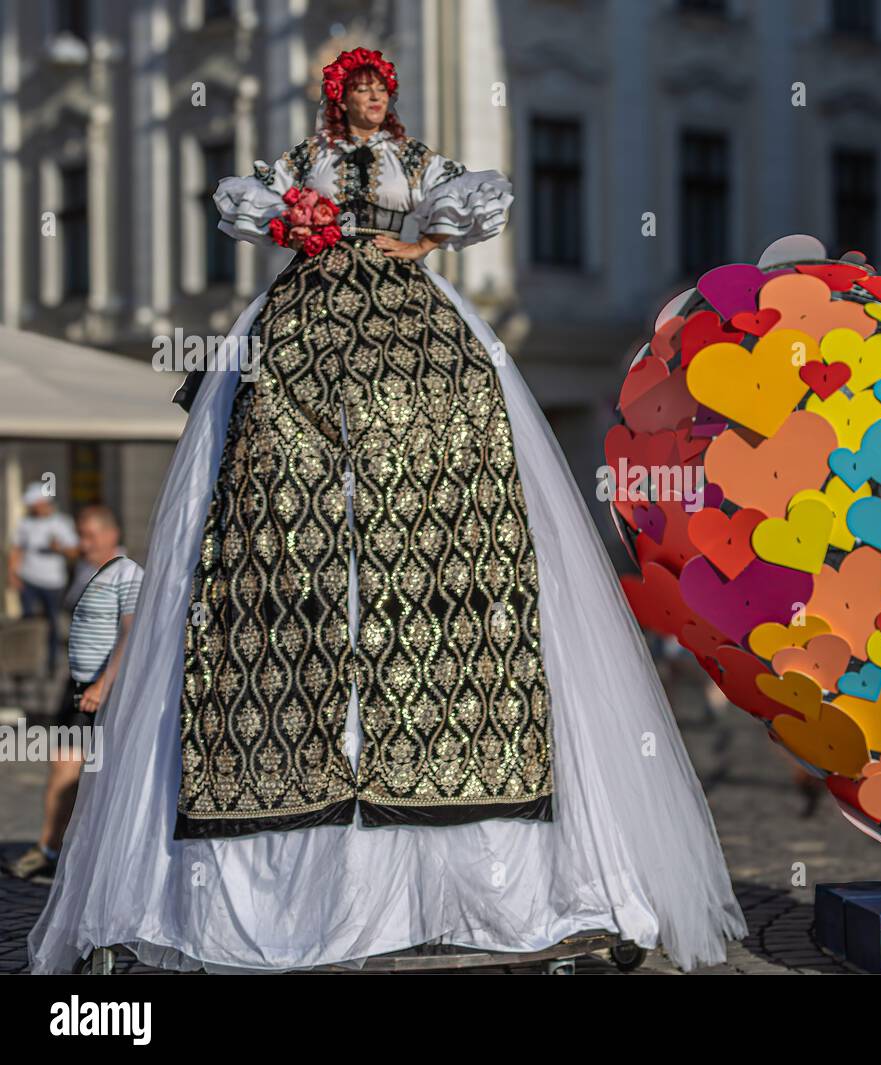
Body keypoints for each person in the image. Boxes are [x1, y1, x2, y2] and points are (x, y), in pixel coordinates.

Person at [28, 47, 744, 973]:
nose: (371, 100)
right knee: (263, 465)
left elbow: (479, 194)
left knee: (461, 425)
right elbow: (244, 199)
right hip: (304, 316)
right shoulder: (305, 161)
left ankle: (503, 876)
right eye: (358, 90)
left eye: (380, 89)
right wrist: (294, 224)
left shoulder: (417, 163)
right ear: (340, 100)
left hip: (411, 312)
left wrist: (426, 244)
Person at [4, 506, 141, 880]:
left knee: (100, 773)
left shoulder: (126, 573)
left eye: (90, 536)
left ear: (112, 534)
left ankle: (89, 853)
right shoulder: (85, 568)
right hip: (78, 685)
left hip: (106, 687)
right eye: (80, 535)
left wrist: (103, 683)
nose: (83, 543)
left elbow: (131, 633)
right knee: (64, 765)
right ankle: (50, 848)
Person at [7, 483, 78, 673]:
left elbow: (74, 552)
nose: (32, 508)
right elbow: (17, 549)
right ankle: (26, 662)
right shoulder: (25, 523)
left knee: (53, 621)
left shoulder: (62, 522)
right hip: (28, 580)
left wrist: (59, 548)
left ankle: (51, 663)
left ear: (42, 503)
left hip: (53, 582)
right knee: (28, 621)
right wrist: (12, 574)